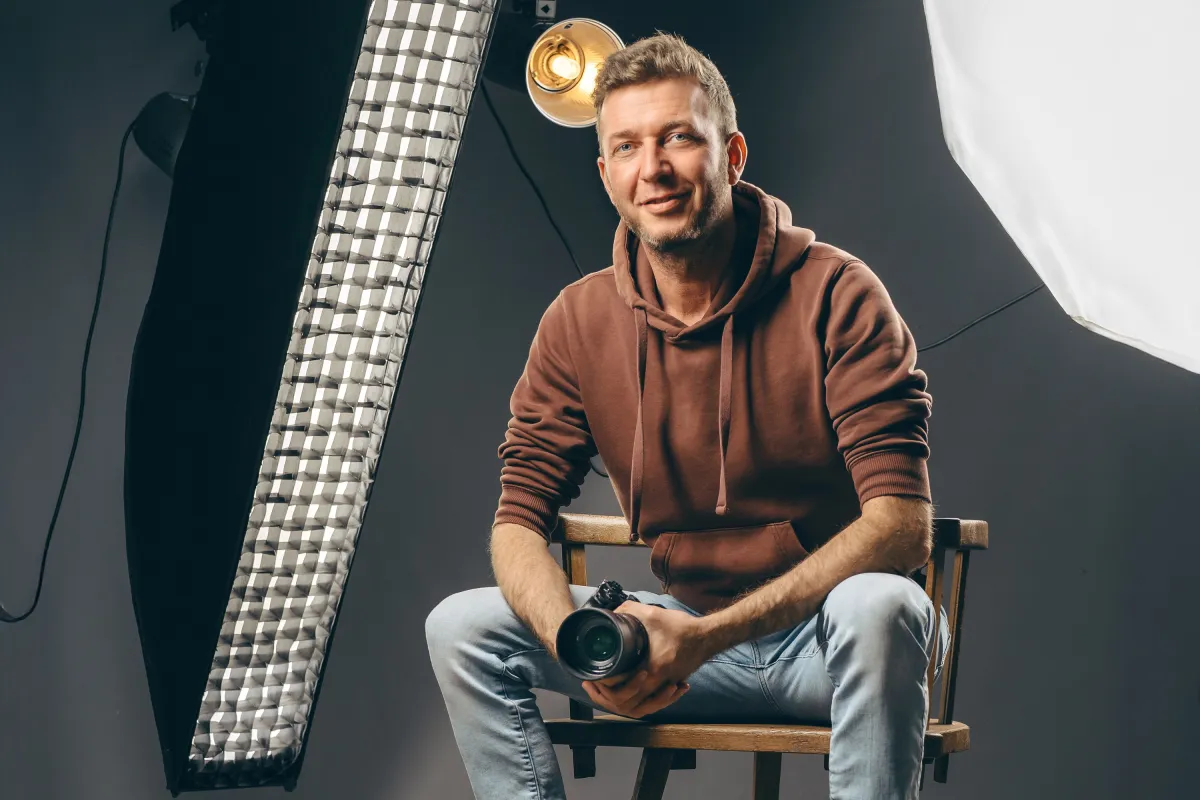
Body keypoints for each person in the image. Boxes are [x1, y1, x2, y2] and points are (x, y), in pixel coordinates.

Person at [426, 31, 948, 800]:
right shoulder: (577, 321)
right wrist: (578, 643)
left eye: (678, 138)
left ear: (731, 157)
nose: (654, 169)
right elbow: (517, 522)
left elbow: (902, 526)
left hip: (827, 641)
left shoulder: (838, 293)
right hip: (679, 644)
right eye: (627, 147)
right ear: (606, 175)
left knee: (885, 603)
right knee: (460, 626)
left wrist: (705, 639)